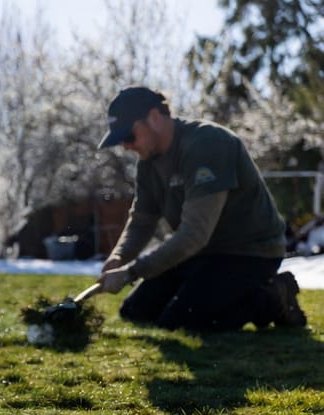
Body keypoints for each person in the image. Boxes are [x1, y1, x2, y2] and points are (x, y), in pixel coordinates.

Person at [96, 86, 306, 332]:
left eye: (129, 136)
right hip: (201, 253)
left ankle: (275, 297)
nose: (125, 147)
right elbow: (142, 221)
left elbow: (195, 234)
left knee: (183, 324)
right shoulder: (148, 163)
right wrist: (118, 258)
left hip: (249, 253)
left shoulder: (207, 145)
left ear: (154, 118)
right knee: (135, 312)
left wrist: (131, 272)